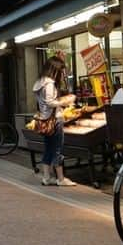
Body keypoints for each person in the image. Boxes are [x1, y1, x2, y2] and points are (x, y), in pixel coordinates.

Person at [33, 56, 76, 186]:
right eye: (60, 70)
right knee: (57, 149)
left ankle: (46, 177)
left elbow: (44, 102)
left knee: (48, 149)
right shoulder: (50, 83)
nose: (61, 73)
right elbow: (50, 102)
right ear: (55, 70)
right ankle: (61, 179)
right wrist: (66, 100)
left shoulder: (39, 82)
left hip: (45, 120)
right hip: (54, 120)